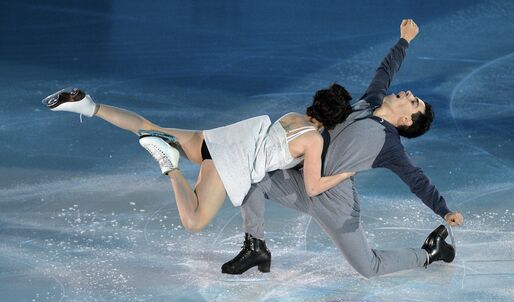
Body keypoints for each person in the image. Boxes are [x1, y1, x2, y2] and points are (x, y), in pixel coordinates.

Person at [221, 19, 464, 276]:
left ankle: (430, 252)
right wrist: (404, 41)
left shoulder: (389, 145)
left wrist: (444, 210)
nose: (409, 93)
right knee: (250, 177)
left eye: (413, 102)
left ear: (406, 120)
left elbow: (417, 179)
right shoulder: (369, 102)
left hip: (336, 203)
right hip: (301, 181)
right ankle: (255, 246)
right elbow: (385, 71)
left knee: (369, 268)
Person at [42, 84, 356, 239]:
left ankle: (89, 106)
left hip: (219, 139)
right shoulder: (314, 140)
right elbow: (313, 187)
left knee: (149, 127)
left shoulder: (293, 116)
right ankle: (170, 165)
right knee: (194, 221)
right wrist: (345, 173)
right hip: (229, 160)